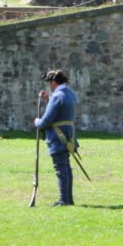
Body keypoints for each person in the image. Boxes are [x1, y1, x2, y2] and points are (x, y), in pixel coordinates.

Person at [34, 70, 78, 207]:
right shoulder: (69, 94)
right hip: (68, 135)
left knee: (60, 169)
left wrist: (37, 122)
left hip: (58, 137)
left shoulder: (57, 96)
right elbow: (59, 112)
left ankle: (64, 200)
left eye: (50, 83)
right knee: (66, 168)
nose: (49, 86)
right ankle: (68, 199)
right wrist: (48, 100)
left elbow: (47, 120)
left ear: (53, 82)